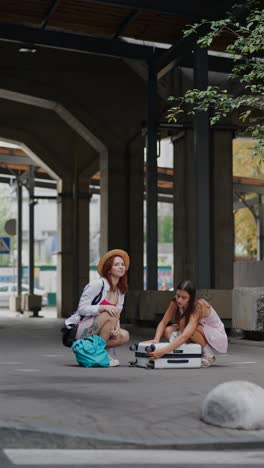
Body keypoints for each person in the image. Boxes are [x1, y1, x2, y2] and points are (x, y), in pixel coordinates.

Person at [65, 249, 130, 367]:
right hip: (83, 328)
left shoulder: (121, 290)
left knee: (124, 335)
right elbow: (82, 309)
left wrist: (116, 326)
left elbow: (117, 312)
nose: (121, 267)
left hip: (103, 326)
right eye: (116, 264)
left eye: (123, 264)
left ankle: (93, 352)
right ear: (109, 269)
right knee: (109, 313)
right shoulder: (97, 285)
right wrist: (102, 307)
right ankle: (99, 354)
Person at [145, 279, 228, 367]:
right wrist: (156, 339)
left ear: (191, 298)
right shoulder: (175, 302)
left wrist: (162, 352)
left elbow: (185, 335)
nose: (179, 300)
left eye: (184, 298)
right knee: (168, 331)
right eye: (178, 296)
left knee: (184, 324)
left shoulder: (198, 306)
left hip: (216, 335)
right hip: (200, 330)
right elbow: (163, 322)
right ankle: (190, 352)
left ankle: (209, 355)